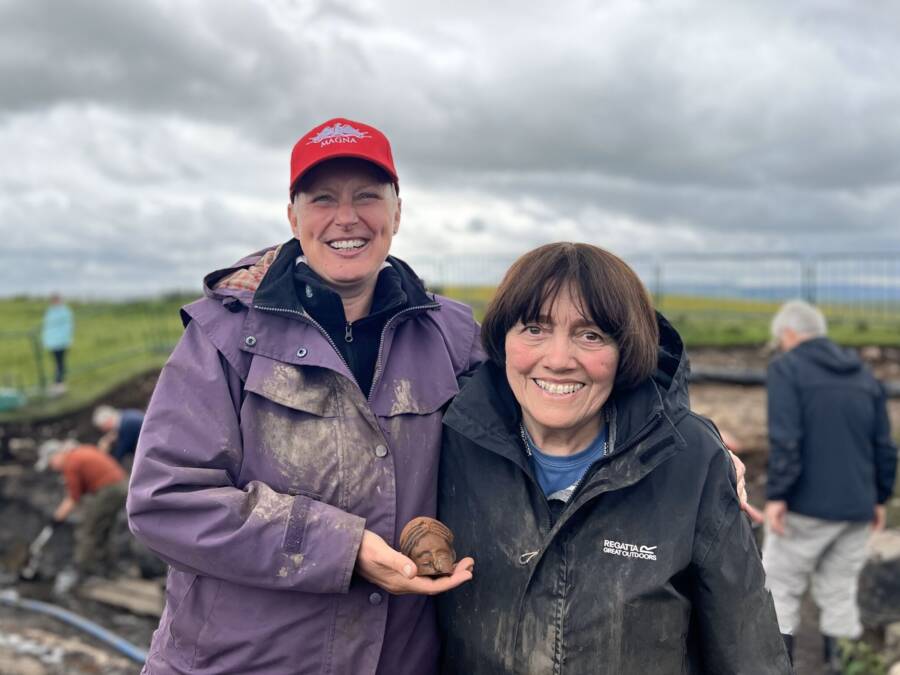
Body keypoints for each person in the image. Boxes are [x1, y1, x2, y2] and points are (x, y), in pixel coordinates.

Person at [127, 118, 481, 674]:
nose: (347, 218)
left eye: (368, 196)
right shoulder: (225, 334)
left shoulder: (452, 335)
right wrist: (344, 548)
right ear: (293, 216)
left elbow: (540, 413)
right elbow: (165, 500)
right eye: (323, 199)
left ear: (397, 212)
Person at [436, 243, 791, 673]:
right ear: (501, 341)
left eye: (590, 335)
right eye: (534, 328)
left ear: (625, 351)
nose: (559, 360)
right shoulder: (447, 441)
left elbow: (748, 651)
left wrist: (705, 450)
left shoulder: (690, 464)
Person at [762, 299, 897, 669]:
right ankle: (842, 666)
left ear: (789, 334)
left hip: (805, 507)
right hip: (857, 507)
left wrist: (777, 495)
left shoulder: (787, 370)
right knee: (839, 592)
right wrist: (880, 497)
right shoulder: (864, 376)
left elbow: (786, 440)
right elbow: (885, 446)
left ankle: (779, 667)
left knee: (780, 589)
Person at [36, 439, 128, 581]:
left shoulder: (71, 463)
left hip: (110, 490)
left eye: (50, 463)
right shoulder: (81, 451)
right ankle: (109, 570)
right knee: (103, 529)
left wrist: (56, 519)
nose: (52, 468)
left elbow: (73, 499)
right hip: (121, 485)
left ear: (56, 455)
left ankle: (83, 572)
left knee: (88, 530)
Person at [41, 293, 74, 393]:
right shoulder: (50, 311)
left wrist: (66, 339)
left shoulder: (65, 312)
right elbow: (47, 327)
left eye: (56, 300)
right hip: (52, 342)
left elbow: (68, 327)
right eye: (54, 301)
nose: (55, 302)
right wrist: (46, 340)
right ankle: (58, 382)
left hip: (61, 341)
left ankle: (59, 383)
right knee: (57, 362)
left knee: (60, 362)